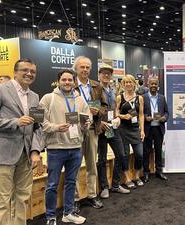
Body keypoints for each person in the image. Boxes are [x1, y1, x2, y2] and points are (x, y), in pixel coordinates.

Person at [0, 58, 41, 225]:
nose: (29, 74)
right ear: (15, 72)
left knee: (22, 199)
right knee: (0, 202)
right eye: (25, 70)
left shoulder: (35, 97)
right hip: (2, 155)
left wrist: (35, 150)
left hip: (26, 156)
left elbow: (37, 126)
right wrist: (15, 122)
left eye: (33, 71)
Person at [40, 70, 90, 225]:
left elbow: (87, 120)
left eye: (70, 80)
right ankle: (50, 216)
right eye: (64, 79)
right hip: (56, 148)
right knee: (52, 184)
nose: (67, 82)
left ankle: (68, 212)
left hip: (75, 147)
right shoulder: (48, 98)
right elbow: (40, 122)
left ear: (74, 82)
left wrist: (85, 124)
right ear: (58, 81)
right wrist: (56, 127)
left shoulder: (80, 100)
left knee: (71, 181)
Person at [73, 56, 107, 212]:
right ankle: (74, 199)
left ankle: (92, 195)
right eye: (82, 67)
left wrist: (98, 110)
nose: (85, 70)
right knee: (74, 165)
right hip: (76, 131)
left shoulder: (96, 86)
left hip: (93, 129)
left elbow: (105, 106)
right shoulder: (69, 84)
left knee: (92, 164)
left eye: (87, 67)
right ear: (76, 69)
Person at [96, 65, 130, 198]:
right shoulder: (96, 90)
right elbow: (93, 109)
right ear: (99, 75)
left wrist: (117, 118)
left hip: (113, 128)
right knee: (102, 158)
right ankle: (104, 187)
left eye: (108, 74)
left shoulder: (113, 90)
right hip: (101, 128)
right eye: (104, 73)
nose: (106, 75)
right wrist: (99, 122)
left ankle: (115, 185)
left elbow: (114, 108)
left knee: (121, 155)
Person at [116, 74, 145, 188]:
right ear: (123, 84)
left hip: (135, 129)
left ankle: (137, 176)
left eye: (130, 82)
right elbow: (116, 113)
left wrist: (142, 130)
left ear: (134, 84)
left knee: (139, 154)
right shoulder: (119, 97)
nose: (128, 84)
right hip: (123, 130)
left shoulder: (139, 98)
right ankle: (128, 178)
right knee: (124, 155)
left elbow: (141, 115)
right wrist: (123, 117)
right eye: (126, 82)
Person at [143, 77, 169, 182]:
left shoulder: (162, 98)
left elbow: (167, 112)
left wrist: (164, 118)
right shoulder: (143, 98)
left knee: (158, 151)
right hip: (147, 128)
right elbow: (139, 112)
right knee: (146, 151)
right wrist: (145, 117)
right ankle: (146, 172)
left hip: (159, 128)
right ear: (148, 84)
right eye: (151, 84)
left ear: (158, 85)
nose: (153, 86)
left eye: (155, 84)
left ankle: (159, 171)